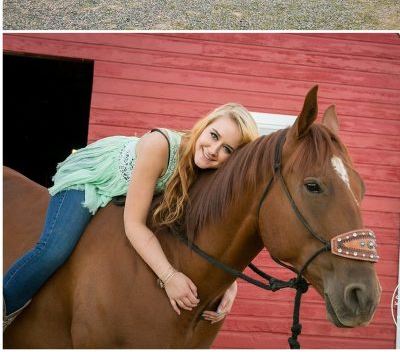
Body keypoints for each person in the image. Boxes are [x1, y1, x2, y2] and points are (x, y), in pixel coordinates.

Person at [3, 102, 259, 330]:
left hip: (127, 191)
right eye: (213, 135)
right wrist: (169, 277)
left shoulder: (208, 171)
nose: (213, 150)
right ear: (204, 126)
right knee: (54, 250)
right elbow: (133, 225)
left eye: (227, 149)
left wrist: (229, 282)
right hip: (95, 178)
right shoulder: (162, 146)